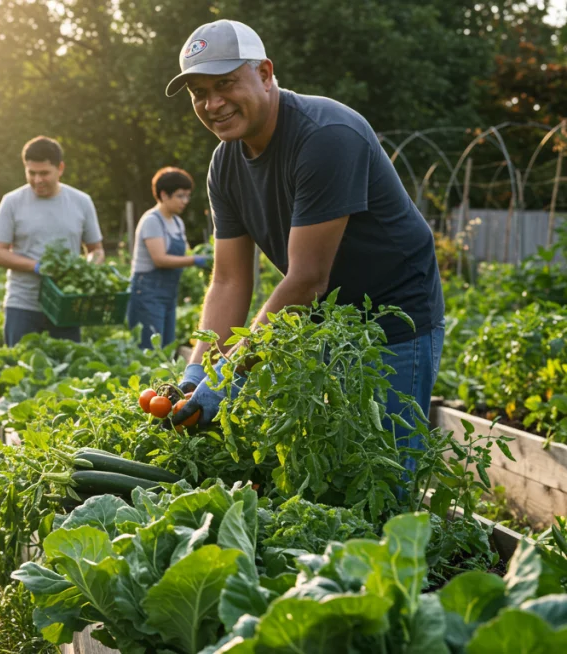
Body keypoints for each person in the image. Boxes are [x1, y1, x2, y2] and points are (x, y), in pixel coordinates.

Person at [164, 20, 445, 467]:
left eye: (225, 84)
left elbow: (308, 279)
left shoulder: (325, 135)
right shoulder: (225, 163)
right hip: (319, 326)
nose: (212, 104)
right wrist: (197, 370)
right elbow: (230, 281)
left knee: (384, 471)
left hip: (395, 321)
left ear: (265, 73)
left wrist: (228, 374)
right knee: (322, 469)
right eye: (199, 93)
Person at [0, 136, 105, 347]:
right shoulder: (11, 202)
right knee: (18, 370)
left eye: (44, 173)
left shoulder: (81, 202)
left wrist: (84, 271)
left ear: (60, 168)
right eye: (31, 173)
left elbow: (96, 250)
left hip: (65, 305)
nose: (37, 180)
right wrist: (36, 267)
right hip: (22, 303)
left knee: (67, 372)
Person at [127, 166, 210, 349]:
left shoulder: (177, 222)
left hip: (168, 293)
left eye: (188, 195)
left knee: (167, 346)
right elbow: (160, 259)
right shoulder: (152, 221)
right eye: (180, 196)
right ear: (164, 195)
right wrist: (196, 260)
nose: (185, 201)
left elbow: (183, 253)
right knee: (150, 349)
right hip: (148, 292)